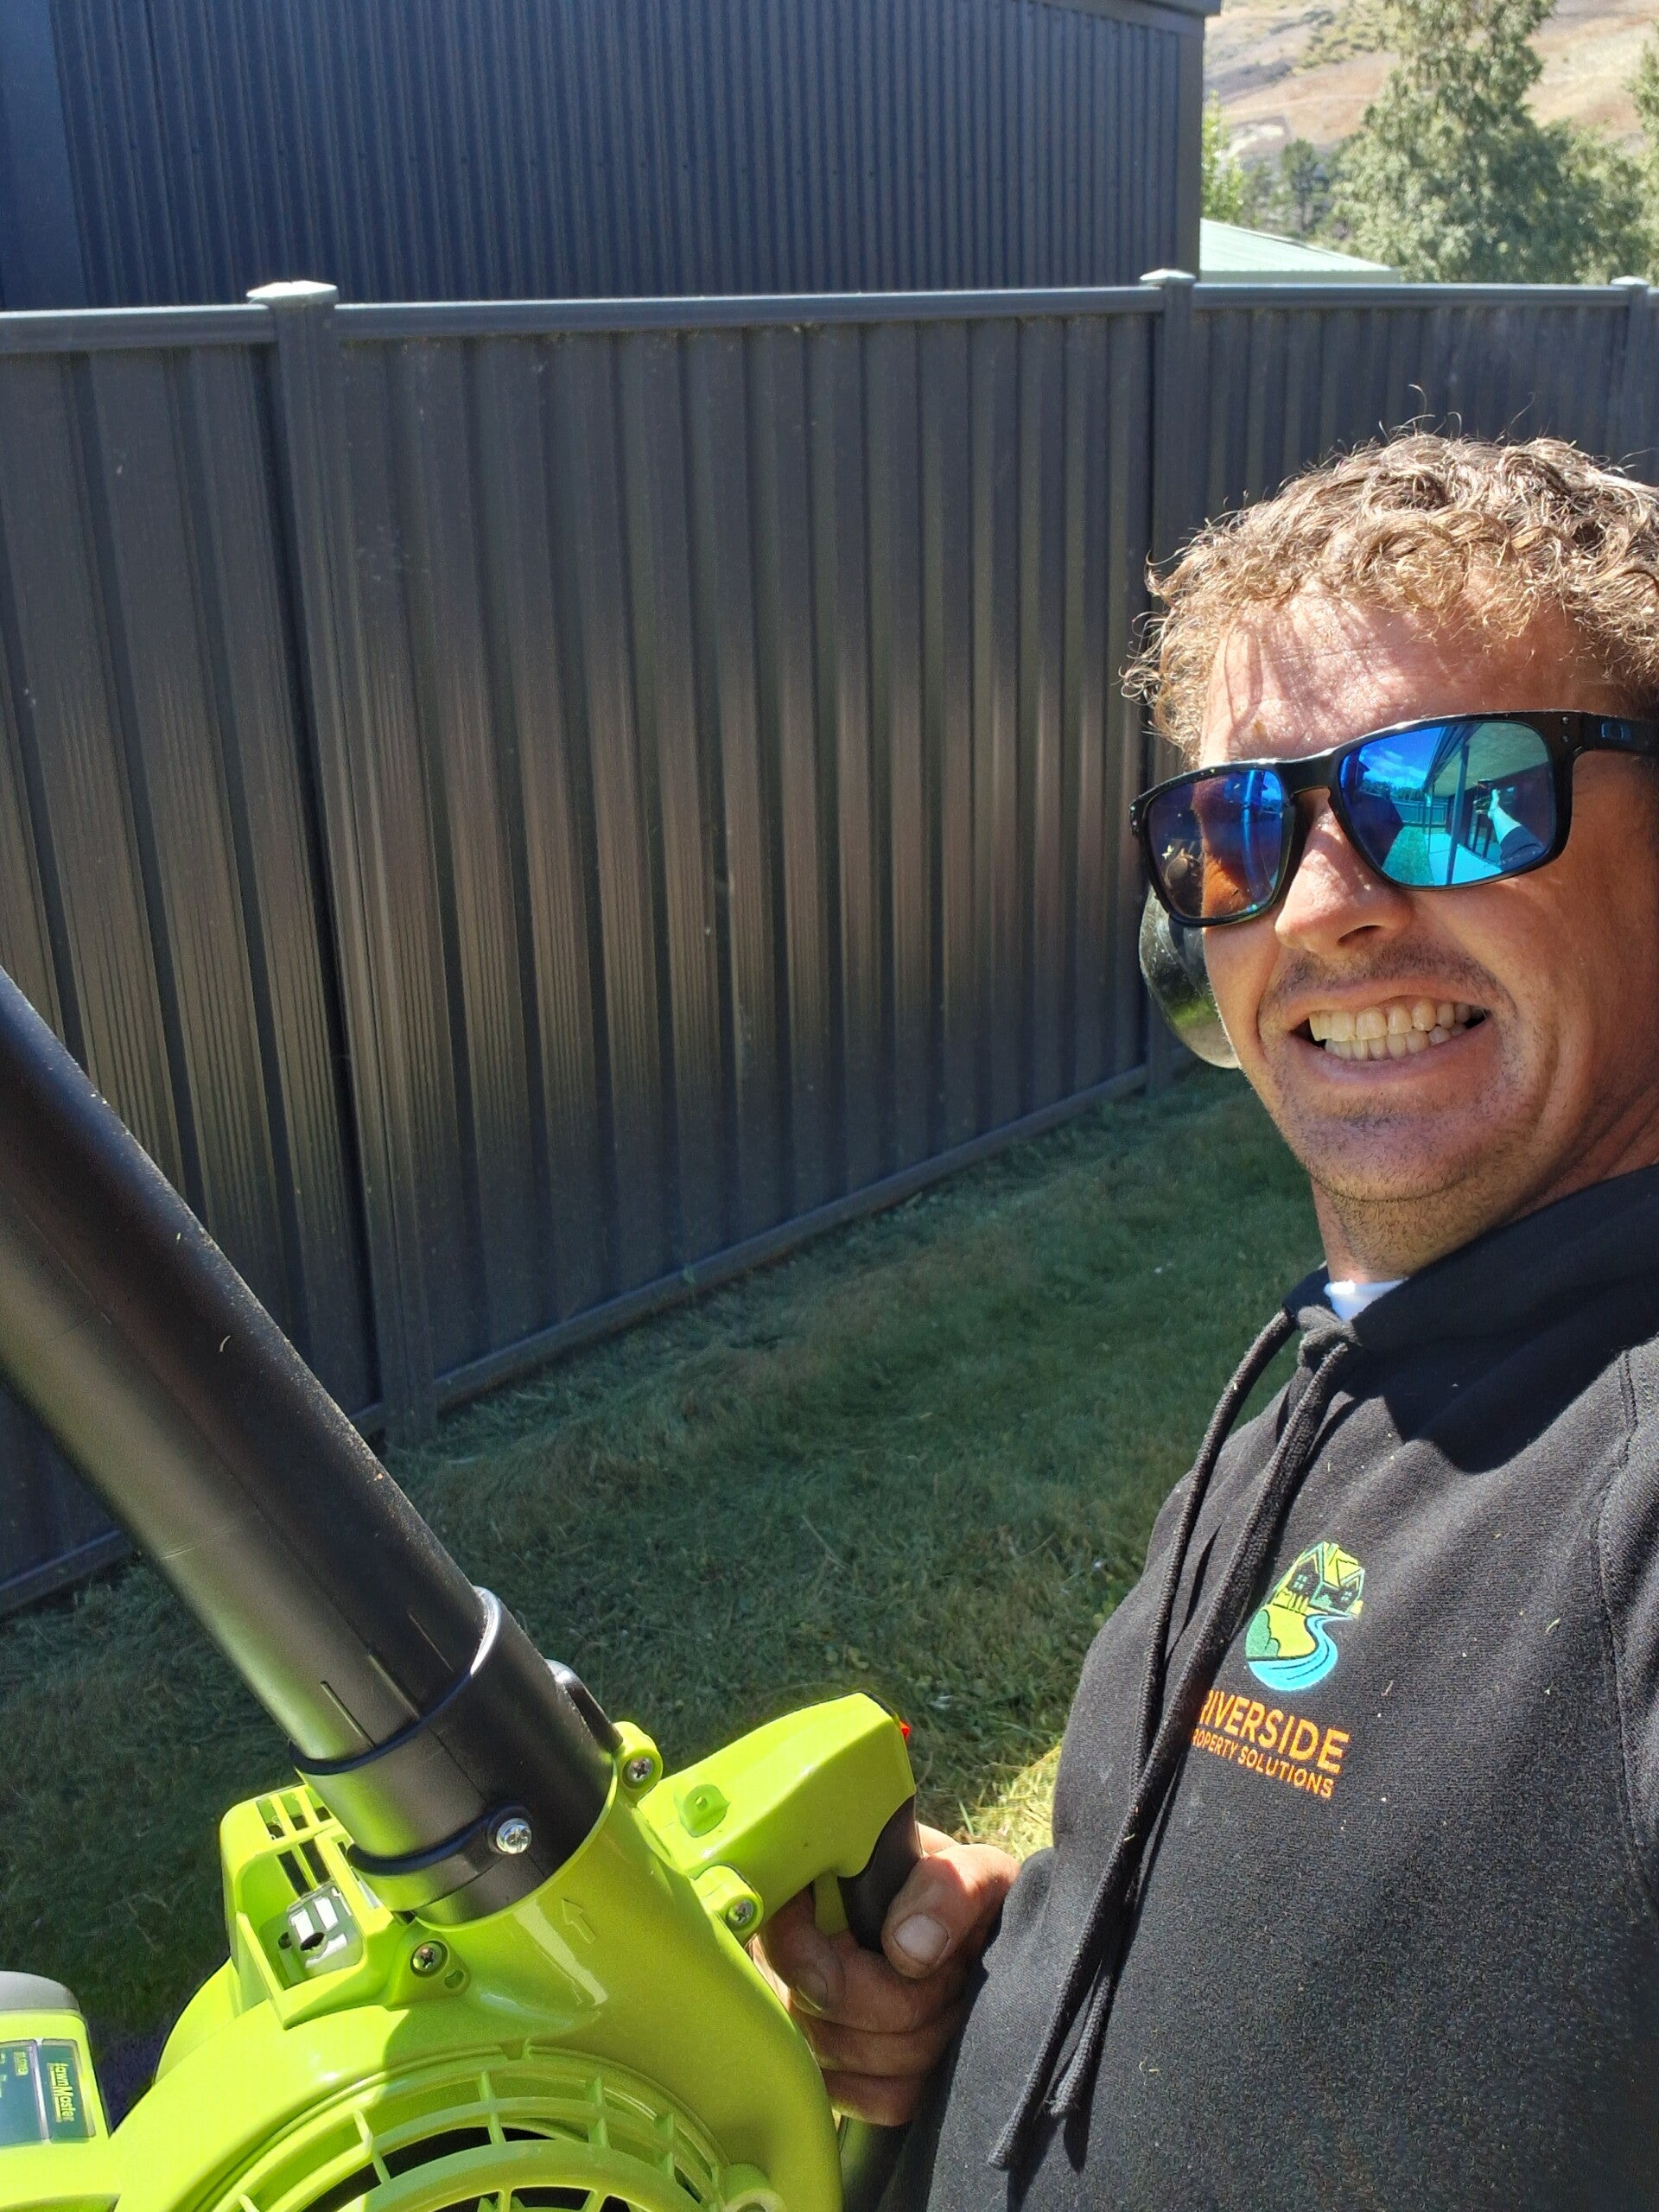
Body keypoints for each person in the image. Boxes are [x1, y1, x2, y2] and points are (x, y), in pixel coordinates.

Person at [759, 433, 1659, 2207]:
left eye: (1457, 792)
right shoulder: (1342, 1379)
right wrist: (1035, 1968)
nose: (1322, 905)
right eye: (1237, 829)